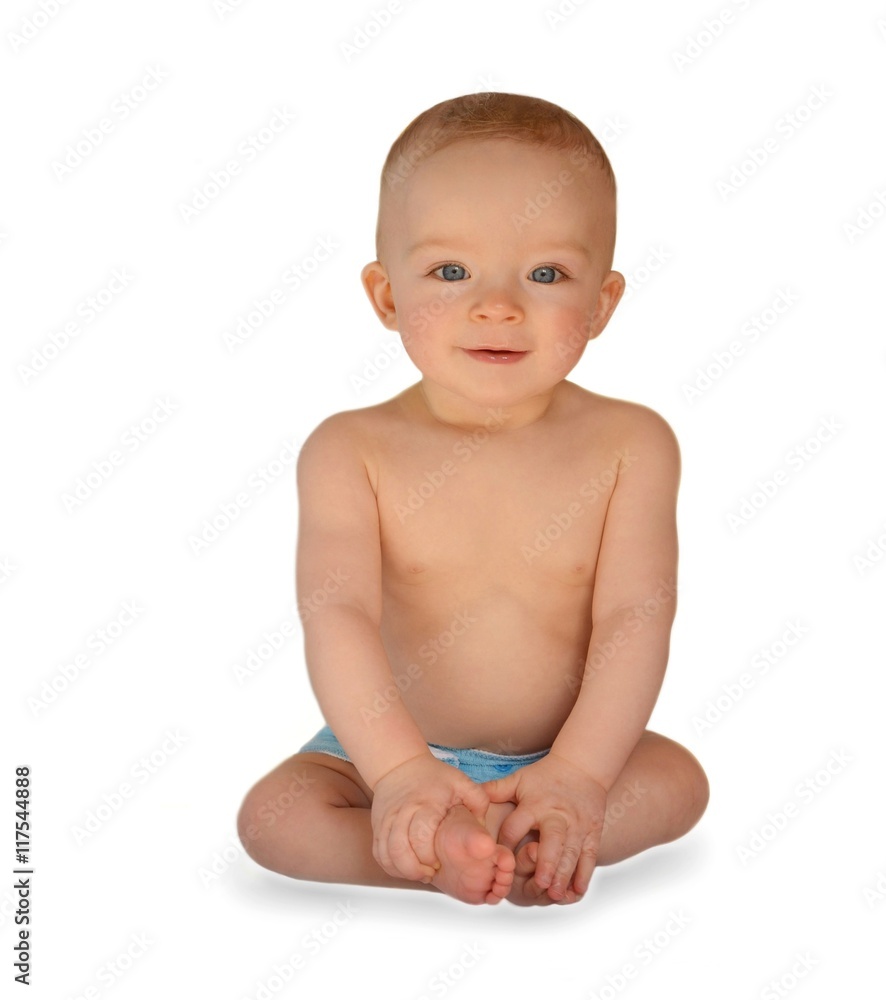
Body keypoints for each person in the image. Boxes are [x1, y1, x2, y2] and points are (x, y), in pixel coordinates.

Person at [237, 92, 708, 906]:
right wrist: (397, 773)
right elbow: (336, 614)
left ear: (601, 303)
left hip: (567, 752)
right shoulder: (351, 450)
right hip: (383, 750)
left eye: (547, 273)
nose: (499, 305)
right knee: (274, 819)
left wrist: (581, 774)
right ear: (386, 297)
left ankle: (524, 836)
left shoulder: (633, 444)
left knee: (680, 782)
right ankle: (447, 845)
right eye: (450, 272)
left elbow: (637, 615)